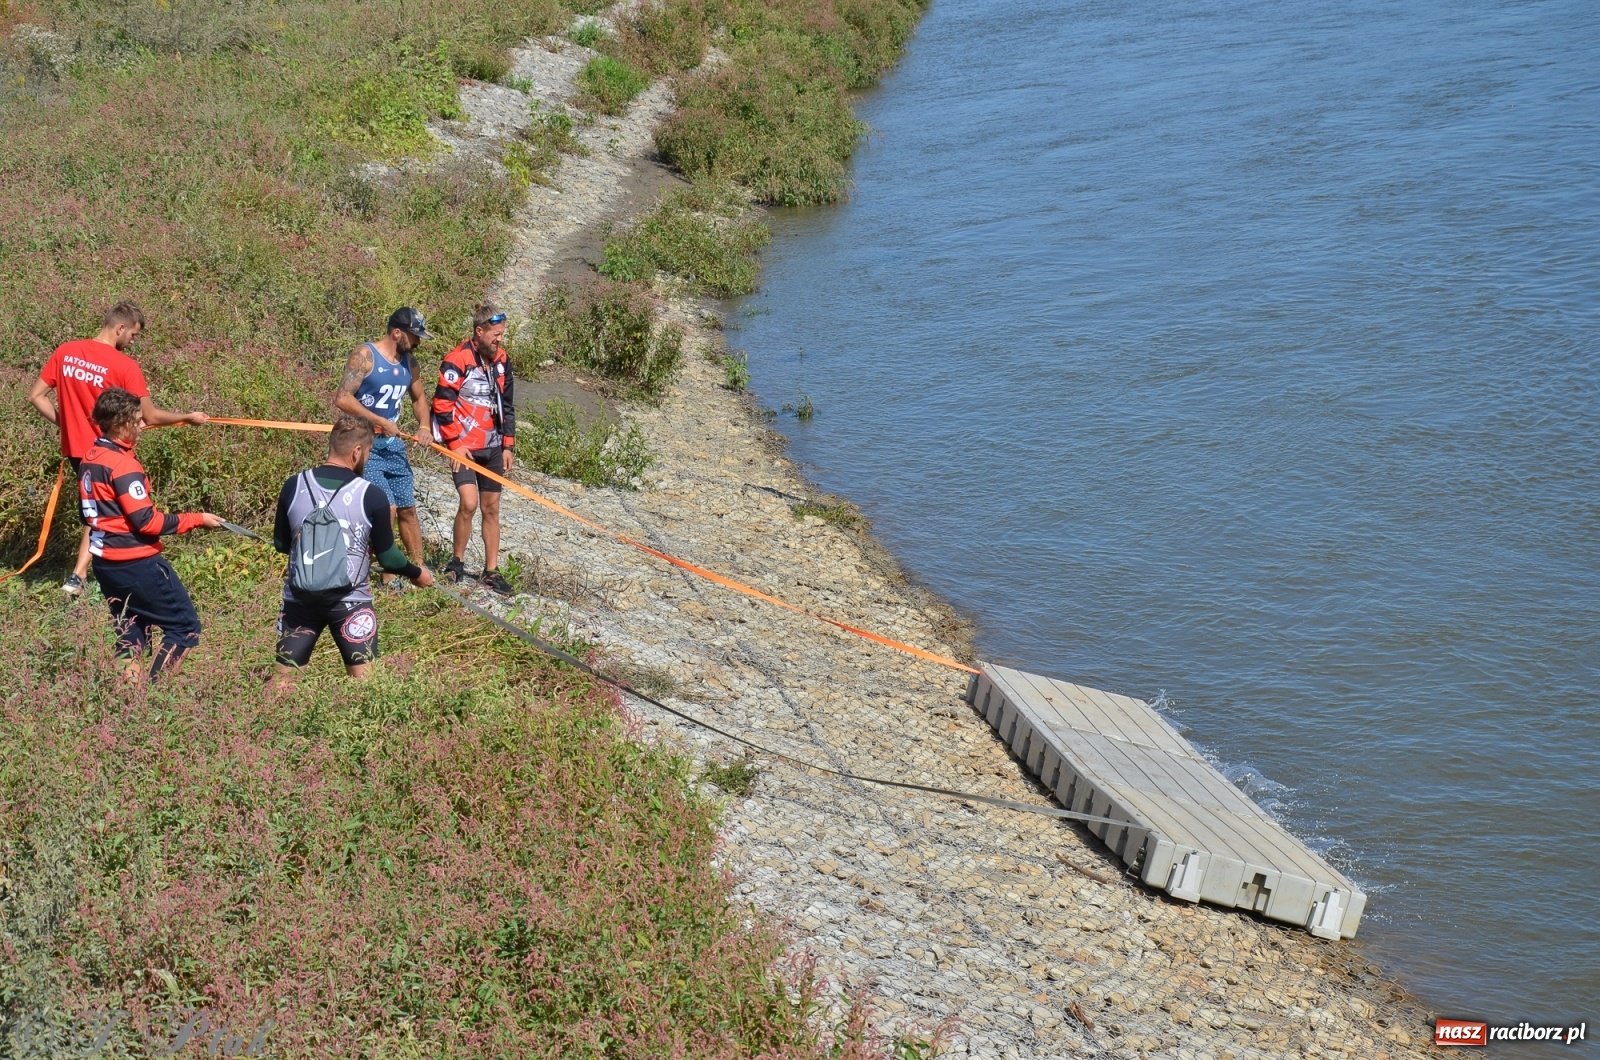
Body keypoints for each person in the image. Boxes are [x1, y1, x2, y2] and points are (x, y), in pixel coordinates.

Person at [29, 301, 208, 597]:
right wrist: (187, 418)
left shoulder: (65, 352)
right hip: (108, 452)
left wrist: (67, 425)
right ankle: (83, 575)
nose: (132, 342)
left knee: (95, 510)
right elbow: (149, 416)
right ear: (120, 327)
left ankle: (88, 573)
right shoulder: (124, 365)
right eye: (133, 336)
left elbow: (36, 396)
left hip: (75, 449)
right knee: (107, 512)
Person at [270, 415, 433, 690]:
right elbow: (388, 557)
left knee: (283, 682)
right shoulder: (371, 495)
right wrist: (417, 574)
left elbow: (282, 545)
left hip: (299, 600)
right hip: (351, 603)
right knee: (365, 686)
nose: (366, 460)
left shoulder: (293, 485)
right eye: (367, 453)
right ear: (357, 452)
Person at [77, 388, 224, 682]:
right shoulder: (123, 465)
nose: (144, 425)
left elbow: (86, 516)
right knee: (185, 627)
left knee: (130, 629)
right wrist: (197, 519)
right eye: (138, 420)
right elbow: (146, 521)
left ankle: (131, 697)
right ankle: (157, 693)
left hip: (105, 563)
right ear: (120, 423)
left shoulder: (90, 457)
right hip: (137, 563)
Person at [332, 306, 433, 589]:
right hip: (365, 446)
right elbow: (343, 398)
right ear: (397, 332)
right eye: (414, 337)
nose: (417, 343)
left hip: (394, 447)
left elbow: (419, 397)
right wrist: (380, 421)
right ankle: (388, 577)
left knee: (407, 509)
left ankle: (418, 572)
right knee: (385, 508)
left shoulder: (410, 364)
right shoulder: (365, 356)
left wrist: (424, 425)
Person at [431, 302, 516, 595]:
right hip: (464, 446)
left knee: (491, 508)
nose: (499, 339)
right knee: (468, 503)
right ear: (479, 332)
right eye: (495, 334)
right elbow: (441, 405)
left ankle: (491, 571)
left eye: (502, 334)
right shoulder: (457, 359)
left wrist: (508, 444)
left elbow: (507, 405)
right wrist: (454, 444)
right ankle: (457, 561)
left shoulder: (503, 360)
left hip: (493, 447)